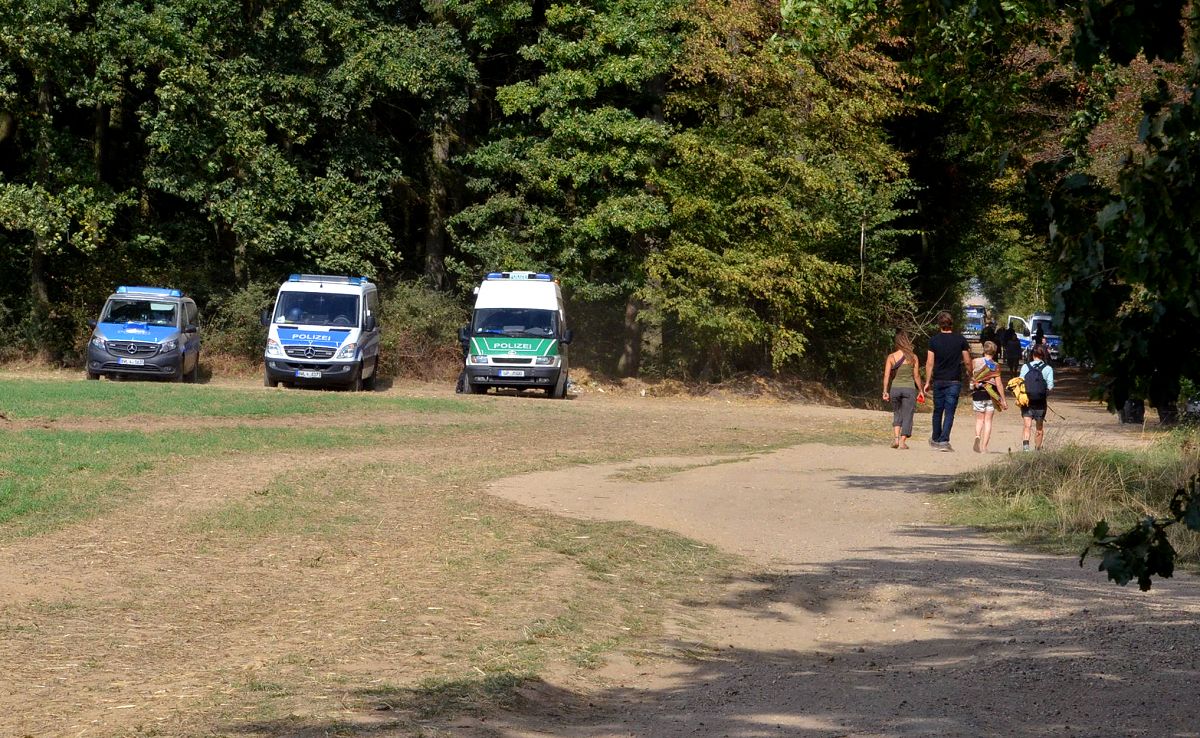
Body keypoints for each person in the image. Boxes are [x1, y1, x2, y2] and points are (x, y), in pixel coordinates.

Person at [923, 311, 973, 451]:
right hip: (954, 380)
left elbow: (929, 363)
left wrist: (927, 381)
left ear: (939, 324)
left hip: (938, 379)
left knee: (938, 410)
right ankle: (944, 441)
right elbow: (967, 361)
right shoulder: (960, 340)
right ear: (952, 323)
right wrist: (971, 374)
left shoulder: (933, 341)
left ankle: (935, 439)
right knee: (949, 411)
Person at [882, 330, 924, 449]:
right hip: (909, 389)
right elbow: (916, 376)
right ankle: (902, 441)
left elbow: (886, 376)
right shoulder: (913, 357)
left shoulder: (891, 357)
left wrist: (885, 391)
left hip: (895, 388)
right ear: (907, 342)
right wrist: (920, 390)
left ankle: (895, 439)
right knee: (908, 415)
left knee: (897, 413)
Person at [970, 341, 1008, 453]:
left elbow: (971, 376)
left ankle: (977, 436)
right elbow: (999, 384)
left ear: (984, 349)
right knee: (988, 421)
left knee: (979, 420)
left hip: (978, 393)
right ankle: (984, 447)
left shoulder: (975, 362)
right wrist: (1003, 399)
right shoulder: (995, 366)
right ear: (995, 352)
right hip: (991, 395)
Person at [1020, 344, 1055, 451]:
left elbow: (1020, 382)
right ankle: (1037, 450)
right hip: (1040, 402)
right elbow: (1050, 386)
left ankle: (1026, 449)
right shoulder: (1048, 368)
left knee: (1027, 425)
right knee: (1039, 427)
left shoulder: (1025, 367)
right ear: (1043, 355)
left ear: (1032, 354)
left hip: (1026, 401)